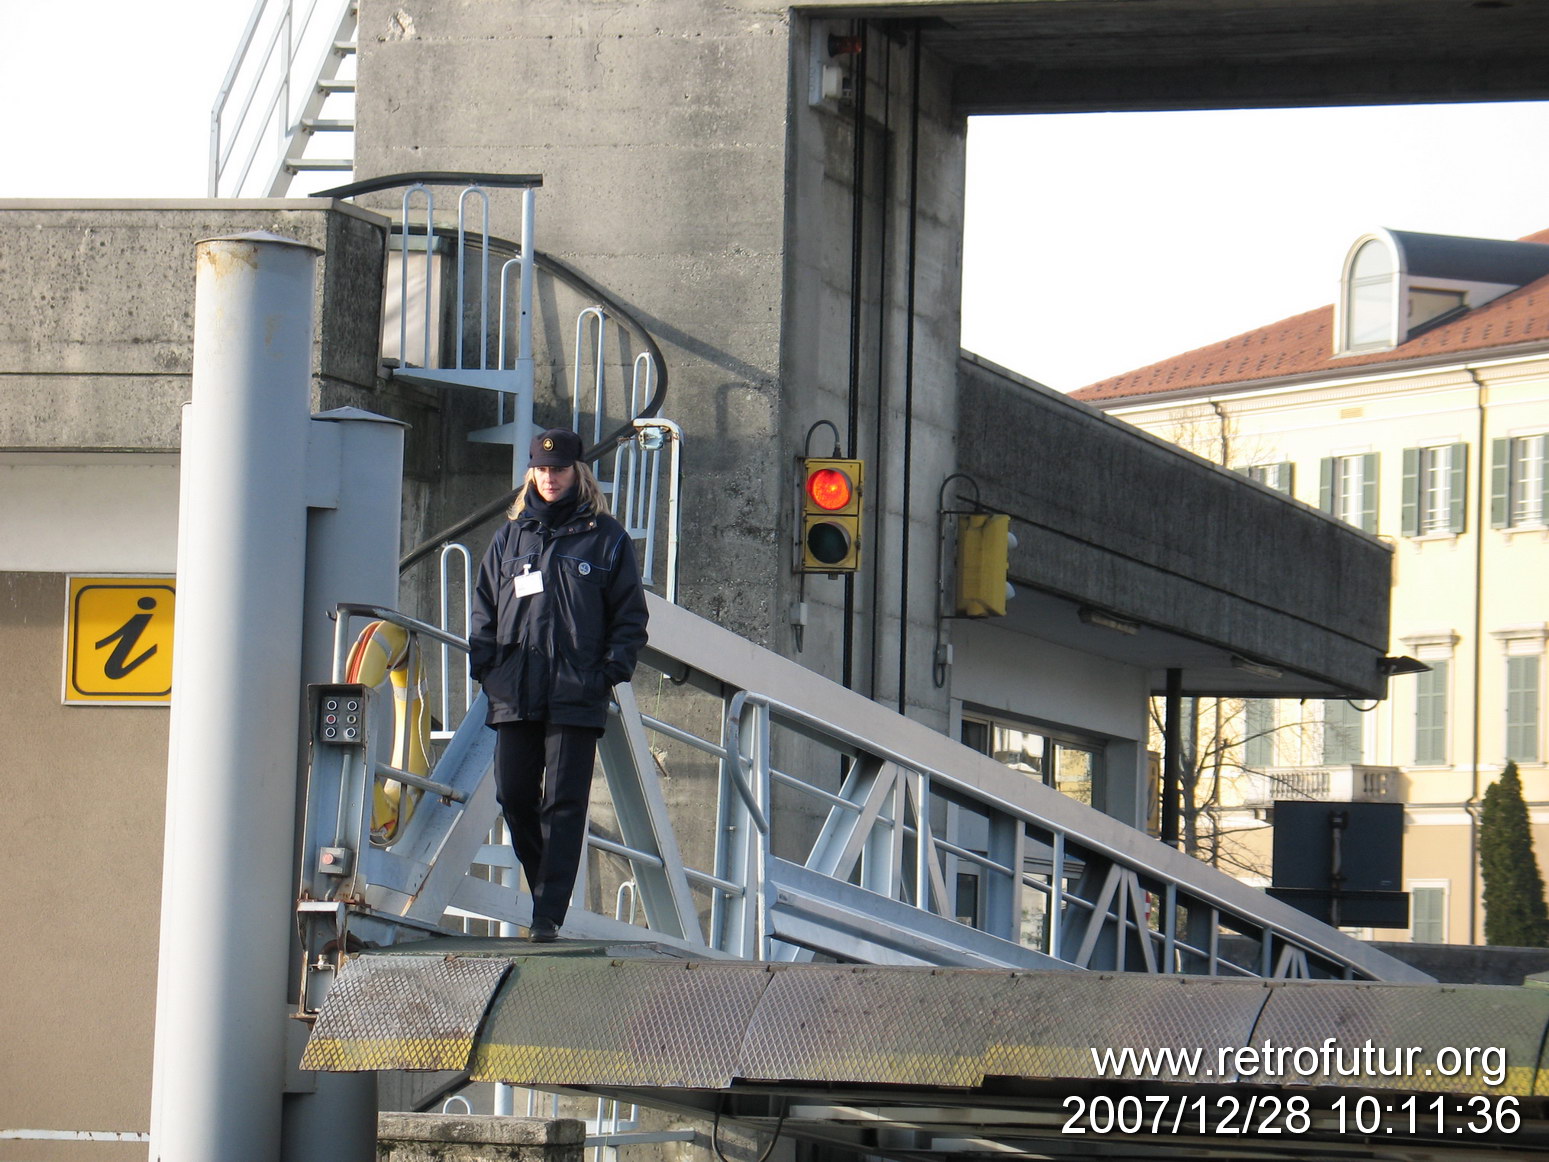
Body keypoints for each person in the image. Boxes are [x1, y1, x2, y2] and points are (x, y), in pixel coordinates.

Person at [468, 428, 649, 942]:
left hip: (575, 691)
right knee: (515, 795)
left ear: (578, 472)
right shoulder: (511, 538)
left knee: (563, 804)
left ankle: (547, 914)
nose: (550, 478)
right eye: (542, 470)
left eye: (560, 469)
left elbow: (630, 618)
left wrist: (606, 673)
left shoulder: (607, 538)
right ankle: (547, 886)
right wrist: (487, 667)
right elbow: (484, 607)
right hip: (515, 691)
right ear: (532, 473)